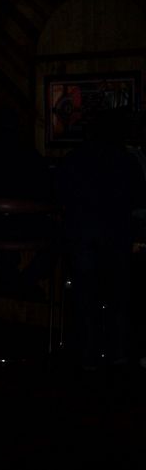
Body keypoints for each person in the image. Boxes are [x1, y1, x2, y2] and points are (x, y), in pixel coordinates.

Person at [56, 110, 146, 370]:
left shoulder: (73, 159)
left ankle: (88, 353)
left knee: (86, 295)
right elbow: (139, 201)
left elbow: (60, 196)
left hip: (82, 235)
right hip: (117, 236)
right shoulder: (126, 161)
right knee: (119, 295)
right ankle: (118, 352)